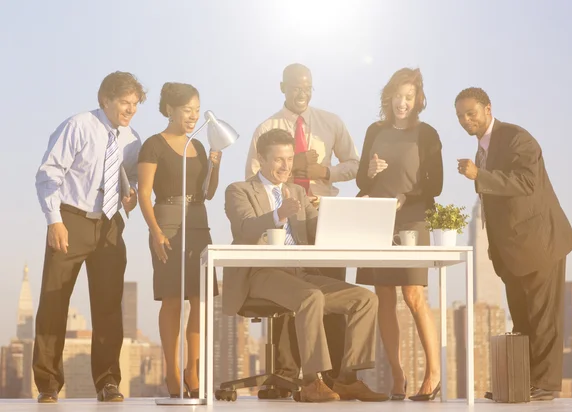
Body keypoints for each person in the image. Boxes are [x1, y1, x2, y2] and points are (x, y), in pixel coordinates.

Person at [224, 129, 388, 402]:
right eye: (278, 160)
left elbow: (317, 229)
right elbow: (244, 229)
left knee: (364, 298)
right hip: (261, 273)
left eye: (289, 159)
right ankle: (313, 382)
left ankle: (347, 379)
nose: (286, 166)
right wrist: (279, 214)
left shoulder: (298, 192)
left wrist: (358, 210)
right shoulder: (239, 190)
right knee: (311, 297)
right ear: (261, 159)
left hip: (299, 272)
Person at [455, 87, 572, 401]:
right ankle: (521, 384)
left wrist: (479, 174)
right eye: (460, 115)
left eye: (471, 112)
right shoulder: (483, 148)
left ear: (487, 109)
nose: (466, 119)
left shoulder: (516, 138)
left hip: (539, 243)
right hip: (512, 252)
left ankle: (546, 385)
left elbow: (527, 182)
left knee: (542, 318)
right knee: (522, 320)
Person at [245, 63, 359, 392]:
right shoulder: (268, 128)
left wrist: (322, 171)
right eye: (296, 87)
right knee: (290, 293)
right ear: (283, 87)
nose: (303, 93)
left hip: (324, 216)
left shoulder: (331, 122)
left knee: (332, 293)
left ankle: (337, 375)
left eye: (308, 87)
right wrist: (292, 168)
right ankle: (286, 373)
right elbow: (253, 177)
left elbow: (354, 165)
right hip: (284, 219)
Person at [33, 71, 146, 403]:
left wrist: (131, 195)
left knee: (109, 305)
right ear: (105, 100)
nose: (130, 110)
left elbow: (128, 179)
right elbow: (48, 173)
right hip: (71, 220)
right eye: (124, 103)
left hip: (110, 224)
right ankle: (49, 384)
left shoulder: (132, 139)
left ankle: (108, 381)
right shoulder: (78, 126)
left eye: (135, 104)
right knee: (54, 301)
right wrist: (54, 220)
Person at [355, 68, 443, 401]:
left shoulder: (427, 134)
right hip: (377, 217)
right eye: (398, 96)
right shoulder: (374, 130)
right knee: (384, 297)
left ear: (418, 100)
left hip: (412, 217)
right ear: (388, 97)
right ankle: (397, 375)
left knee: (413, 295)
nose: (402, 103)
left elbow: (436, 184)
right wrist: (370, 172)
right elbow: (363, 182)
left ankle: (433, 374)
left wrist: (407, 198)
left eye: (409, 97)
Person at [137, 82, 221, 398]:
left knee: (200, 301)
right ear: (170, 110)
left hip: (199, 225)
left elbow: (208, 193)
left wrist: (216, 165)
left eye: (197, 110)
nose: (193, 116)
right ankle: (172, 372)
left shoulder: (198, 146)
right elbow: (145, 193)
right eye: (188, 110)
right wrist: (155, 232)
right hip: (168, 226)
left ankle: (192, 370)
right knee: (173, 300)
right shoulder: (153, 145)